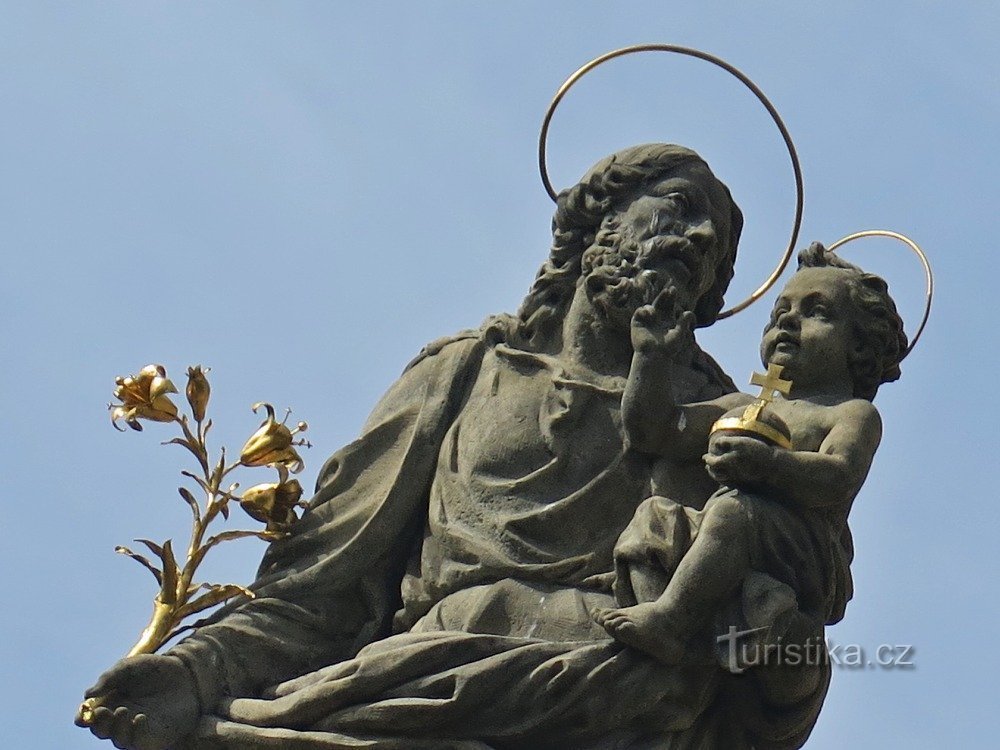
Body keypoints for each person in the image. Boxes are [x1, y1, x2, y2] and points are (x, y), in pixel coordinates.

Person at [79, 145, 831, 750]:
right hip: (414, 696)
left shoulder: (726, 430)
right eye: (680, 206)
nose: (699, 239)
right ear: (600, 215)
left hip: (616, 713)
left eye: (718, 247)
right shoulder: (467, 374)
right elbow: (317, 599)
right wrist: (193, 670)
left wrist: (789, 666)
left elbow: (752, 670)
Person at [595, 243, 908, 669]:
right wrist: (650, 359)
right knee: (655, 517)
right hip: (730, 526)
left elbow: (839, 474)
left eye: (817, 312)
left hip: (803, 548)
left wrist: (768, 465)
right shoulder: (743, 403)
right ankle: (687, 623)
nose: (789, 322)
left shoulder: (850, 413)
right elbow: (657, 431)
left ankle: (672, 621)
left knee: (732, 513)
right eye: (780, 314)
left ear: (859, 348)